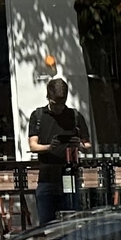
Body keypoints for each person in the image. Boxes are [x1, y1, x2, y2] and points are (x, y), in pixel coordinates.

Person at [27, 77, 85, 223]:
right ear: (48, 98)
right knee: (46, 223)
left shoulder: (75, 116)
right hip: (47, 177)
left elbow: (88, 145)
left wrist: (79, 145)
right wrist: (49, 147)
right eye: (55, 104)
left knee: (72, 221)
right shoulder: (38, 116)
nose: (59, 108)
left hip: (70, 175)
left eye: (62, 103)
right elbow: (33, 146)